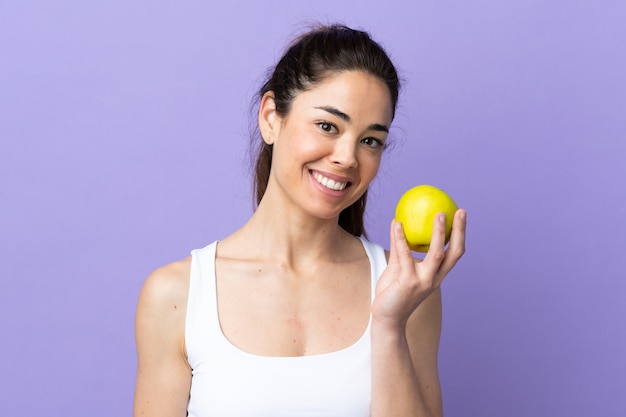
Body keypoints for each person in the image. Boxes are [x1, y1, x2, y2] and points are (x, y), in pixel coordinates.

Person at [133, 24, 466, 417]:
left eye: (370, 140)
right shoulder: (177, 296)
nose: (347, 157)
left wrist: (390, 326)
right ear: (271, 117)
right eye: (328, 126)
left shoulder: (404, 288)